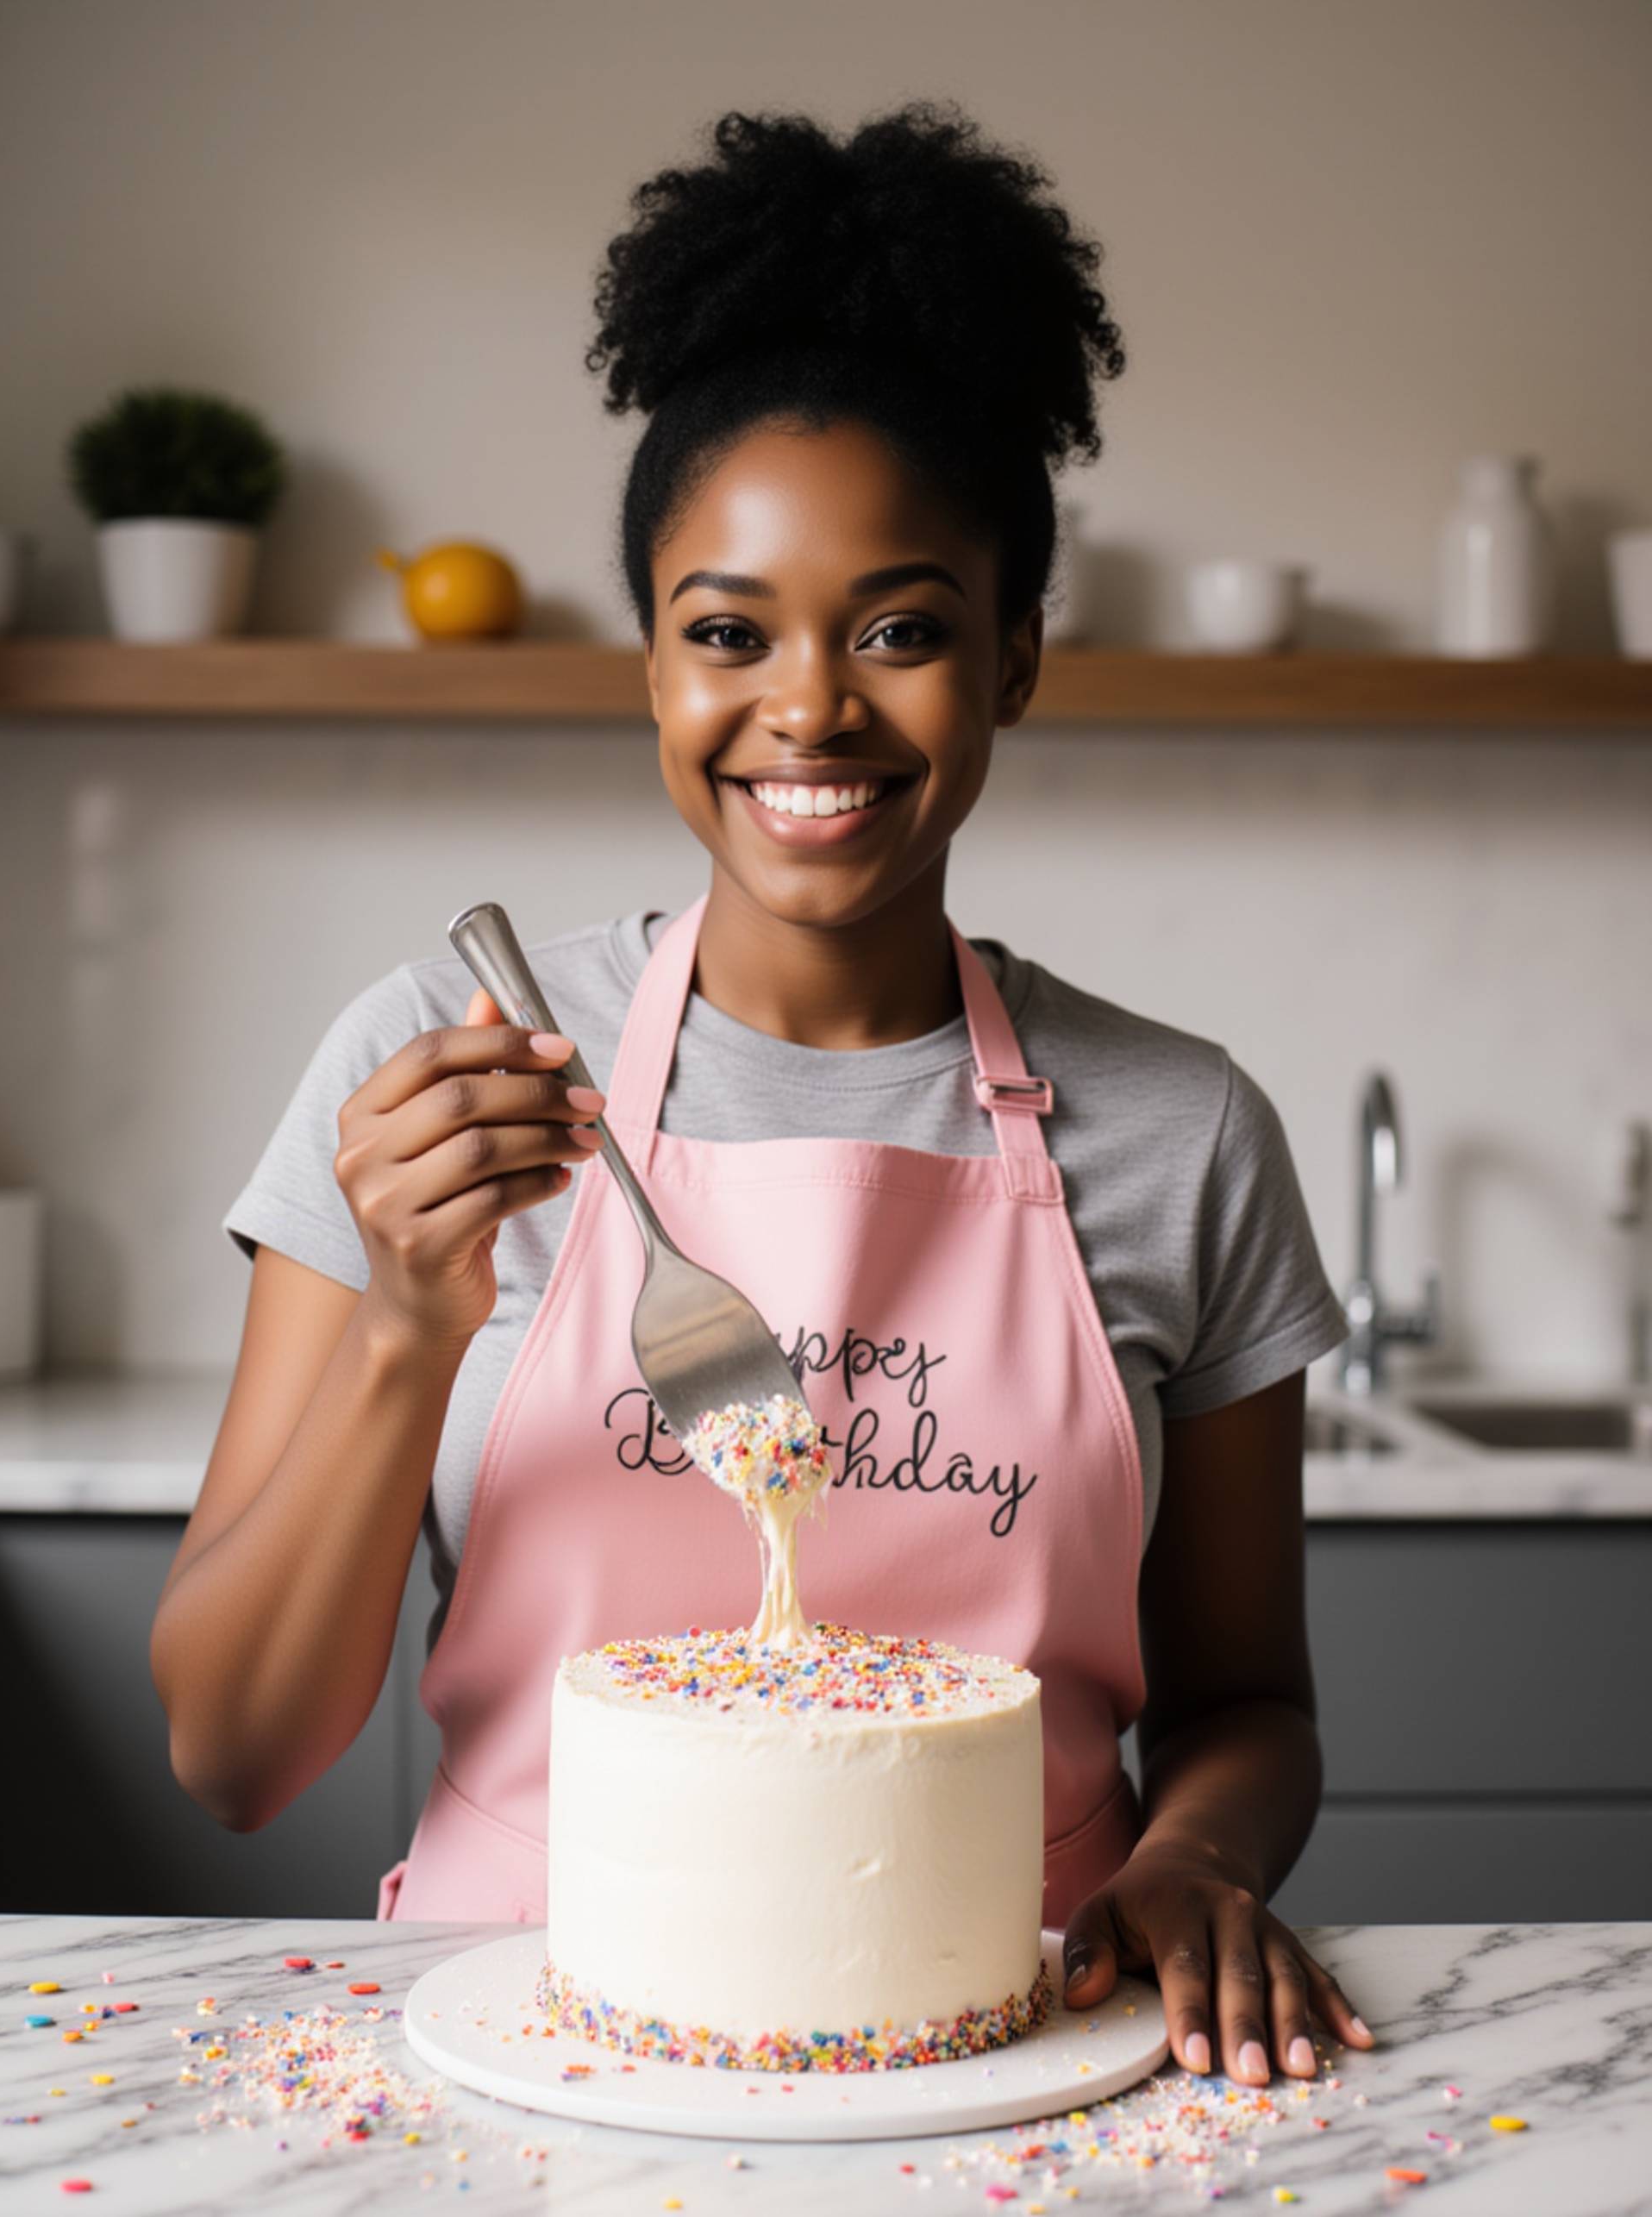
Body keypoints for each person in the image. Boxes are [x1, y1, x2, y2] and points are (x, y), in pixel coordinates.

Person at [151, 97, 1374, 2090]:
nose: (807, 705)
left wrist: (1197, 1856)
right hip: (524, 2046)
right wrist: (402, 1328)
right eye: (728, 632)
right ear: (649, 664)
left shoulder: (1181, 1130)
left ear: (1015, 659)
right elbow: (231, 1751)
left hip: (1025, 2052)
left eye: (901, 627)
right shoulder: (448, 1072)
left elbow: (1248, 1701)